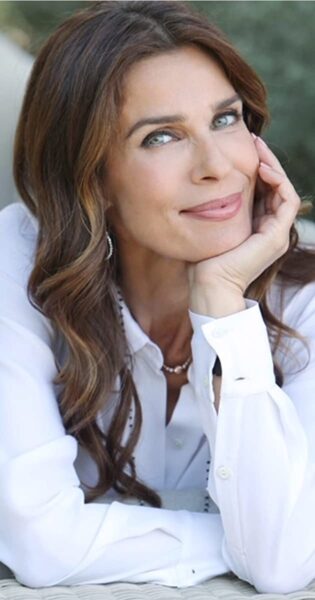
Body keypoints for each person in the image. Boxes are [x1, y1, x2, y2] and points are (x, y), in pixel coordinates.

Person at [0, 0, 315, 593]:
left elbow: (280, 565)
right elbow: (41, 543)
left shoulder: (306, 302)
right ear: (89, 177)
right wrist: (239, 534)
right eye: (162, 136)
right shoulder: (15, 264)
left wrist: (222, 304)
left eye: (226, 120)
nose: (217, 166)